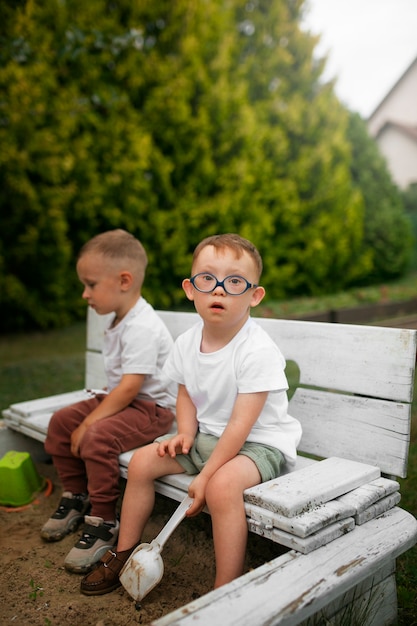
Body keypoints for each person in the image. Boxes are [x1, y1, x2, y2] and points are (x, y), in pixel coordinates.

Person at [80, 233, 302, 596]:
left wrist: (207, 474)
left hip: (256, 445)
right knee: (140, 464)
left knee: (221, 488)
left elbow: (240, 425)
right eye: (207, 279)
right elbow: (185, 390)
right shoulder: (187, 341)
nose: (218, 291)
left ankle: (224, 588)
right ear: (190, 289)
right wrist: (184, 431)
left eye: (234, 282)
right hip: (207, 438)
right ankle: (122, 552)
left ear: (254, 295)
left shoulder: (257, 350)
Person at [41, 229, 177, 574]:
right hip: (125, 403)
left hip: (152, 410)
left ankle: (103, 521)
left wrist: (90, 422)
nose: (85, 294)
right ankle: (76, 496)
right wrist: (83, 417)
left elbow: (131, 388)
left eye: (90, 284)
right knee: (60, 423)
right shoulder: (119, 318)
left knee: (96, 437)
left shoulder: (143, 326)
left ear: (124, 280)